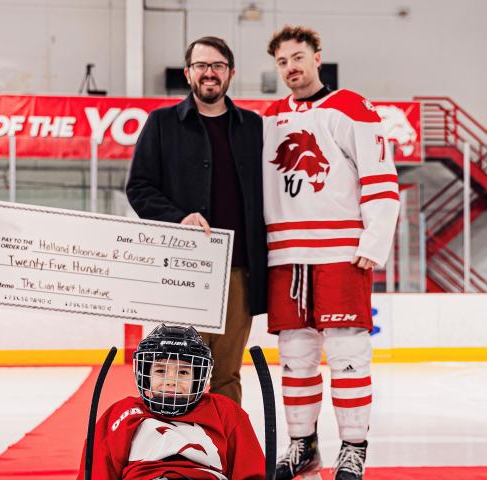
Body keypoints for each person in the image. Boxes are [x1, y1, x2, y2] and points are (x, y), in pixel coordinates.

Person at [262, 25, 400, 480]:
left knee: (347, 354)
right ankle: (303, 445)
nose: (291, 68)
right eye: (282, 62)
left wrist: (374, 240)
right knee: (295, 356)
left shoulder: (350, 107)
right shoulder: (269, 117)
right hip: (286, 254)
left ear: (317, 57)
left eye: (298, 57)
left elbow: (381, 177)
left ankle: (354, 447)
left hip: (342, 251)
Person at [126, 36, 267, 406]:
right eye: (201, 65)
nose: (209, 73)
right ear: (188, 73)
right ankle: (176, 453)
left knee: (227, 373)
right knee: (176, 369)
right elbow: (139, 188)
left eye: (217, 66)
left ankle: (224, 454)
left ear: (230, 73)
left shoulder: (254, 127)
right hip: (183, 271)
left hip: (238, 270)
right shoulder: (161, 124)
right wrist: (178, 217)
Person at [77, 324, 265, 479]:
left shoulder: (224, 412)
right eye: (160, 371)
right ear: (146, 375)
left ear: (197, 376)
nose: (171, 380)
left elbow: (250, 472)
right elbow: (99, 472)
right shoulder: (122, 413)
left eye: (183, 372)